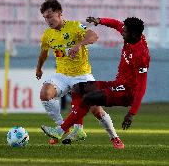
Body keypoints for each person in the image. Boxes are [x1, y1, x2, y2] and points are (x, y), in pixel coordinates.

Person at [41, 16, 150, 149]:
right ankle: (78, 131)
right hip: (118, 84)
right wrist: (100, 21)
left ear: (133, 34)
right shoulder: (132, 34)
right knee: (77, 88)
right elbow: (116, 24)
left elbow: (142, 86)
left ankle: (60, 131)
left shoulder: (141, 55)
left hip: (127, 93)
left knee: (90, 99)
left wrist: (132, 113)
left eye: (125, 32)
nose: (122, 33)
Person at [36, 0, 123, 148]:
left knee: (96, 110)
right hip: (62, 75)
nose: (48, 20)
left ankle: (114, 137)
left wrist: (79, 44)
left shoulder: (75, 26)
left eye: (50, 16)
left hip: (82, 75)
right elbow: (43, 54)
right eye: (45, 17)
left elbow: (94, 36)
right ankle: (63, 127)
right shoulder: (47, 35)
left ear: (59, 13)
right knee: (45, 94)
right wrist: (39, 68)